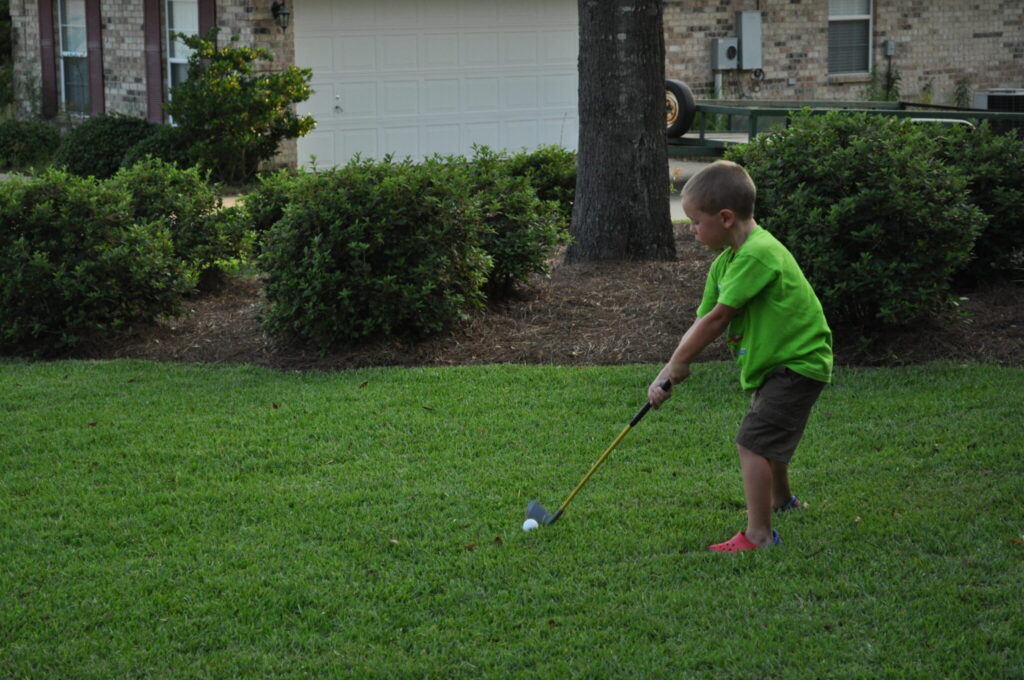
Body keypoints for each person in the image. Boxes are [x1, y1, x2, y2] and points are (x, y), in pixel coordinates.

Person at [648, 160, 832, 553]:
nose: (692, 230)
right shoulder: (724, 264)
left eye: (695, 222)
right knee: (769, 440)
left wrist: (680, 363)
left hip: (798, 364)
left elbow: (719, 319)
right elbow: (702, 321)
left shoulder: (758, 254)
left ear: (726, 217)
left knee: (753, 443)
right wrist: (671, 367)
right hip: (775, 365)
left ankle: (759, 536)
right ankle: (783, 501)